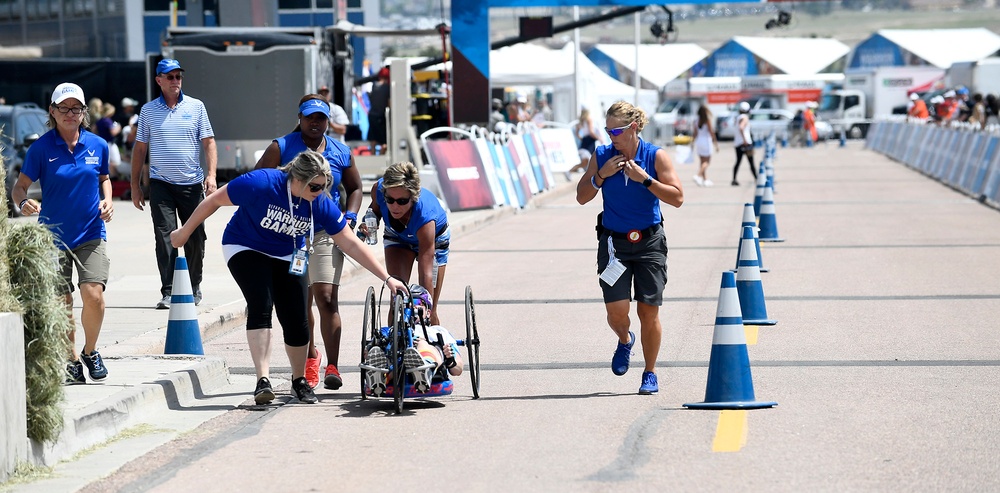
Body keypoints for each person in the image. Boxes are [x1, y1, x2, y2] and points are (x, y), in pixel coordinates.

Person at [169, 150, 406, 405]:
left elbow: (350, 244)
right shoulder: (260, 183)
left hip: (286, 253)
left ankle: (298, 380)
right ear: (297, 179)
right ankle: (263, 380)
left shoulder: (320, 202)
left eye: (324, 185)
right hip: (245, 245)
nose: (320, 191)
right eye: (315, 186)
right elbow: (214, 200)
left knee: (296, 317)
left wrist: (387, 278)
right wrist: (184, 232)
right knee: (261, 303)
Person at [574, 100, 684, 395]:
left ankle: (650, 372)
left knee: (649, 311)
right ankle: (625, 340)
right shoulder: (601, 156)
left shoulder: (655, 156)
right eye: (608, 131)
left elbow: (677, 198)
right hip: (614, 244)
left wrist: (645, 180)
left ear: (634, 128)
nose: (612, 137)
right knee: (617, 313)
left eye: (617, 131)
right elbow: (581, 196)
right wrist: (600, 176)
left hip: (649, 242)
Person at [254, 94, 363, 391]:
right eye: (309, 117)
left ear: (328, 121)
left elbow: (354, 187)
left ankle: (333, 366)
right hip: (290, 233)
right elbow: (258, 180)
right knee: (300, 303)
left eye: (321, 118)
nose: (315, 123)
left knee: (327, 298)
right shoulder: (282, 147)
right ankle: (310, 358)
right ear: (300, 118)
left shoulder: (341, 151)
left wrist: (350, 215)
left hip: (326, 231)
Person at [11, 82, 114, 385]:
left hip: (91, 233)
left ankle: (91, 351)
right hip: (52, 238)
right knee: (61, 303)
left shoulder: (98, 145)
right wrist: (24, 202)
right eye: (64, 108)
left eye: (76, 108)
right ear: (52, 112)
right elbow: (19, 187)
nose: (70, 113)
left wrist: (107, 199)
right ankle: (70, 360)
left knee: (93, 295)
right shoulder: (41, 148)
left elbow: (104, 178)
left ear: (84, 113)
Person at [130, 59, 217, 310]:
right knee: (165, 236)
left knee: (195, 237)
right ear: (159, 80)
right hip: (161, 185)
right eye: (170, 77)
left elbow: (209, 142)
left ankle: (193, 285)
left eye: (178, 76)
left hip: (191, 184)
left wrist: (211, 176)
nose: (175, 81)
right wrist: (135, 185)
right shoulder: (148, 111)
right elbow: (140, 149)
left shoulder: (196, 107)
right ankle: (169, 291)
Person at [358, 161, 450, 326]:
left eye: (401, 201)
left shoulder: (425, 216)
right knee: (397, 300)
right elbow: (375, 209)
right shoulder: (378, 190)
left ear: (413, 198)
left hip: (433, 240)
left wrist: (425, 308)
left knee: (427, 307)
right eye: (390, 199)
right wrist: (369, 221)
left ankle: (430, 341)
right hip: (398, 236)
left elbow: (426, 272)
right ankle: (394, 346)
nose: (394, 206)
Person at [365, 284, 463, 395]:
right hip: (397, 359)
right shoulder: (391, 330)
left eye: (417, 303)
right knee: (381, 349)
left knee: (422, 344)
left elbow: (457, 370)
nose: (412, 307)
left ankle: (423, 370)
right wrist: (371, 348)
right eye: (406, 304)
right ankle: (379, 377)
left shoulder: (438, 331)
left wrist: (450, 360)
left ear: (428, 312)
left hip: (429, 355)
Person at [691, 105, 719, 187]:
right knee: (707, 162)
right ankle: (698, 175)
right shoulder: (707, 120)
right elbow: (711, 133)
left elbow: (695, 133)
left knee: (702, 162)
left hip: (699, 141)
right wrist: (716, 144)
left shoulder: (696, 121)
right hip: (706, 141)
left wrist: (692, 143)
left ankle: (705, 180)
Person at [95, 102, 124, 179]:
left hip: (102, 143)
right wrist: (118, 127)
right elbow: (113, 132)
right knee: (115, 162)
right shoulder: (107, 120)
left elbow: (94, 130)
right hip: (109, 144)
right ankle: (115, 177)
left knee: (105, 162)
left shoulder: (99, 121)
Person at [731, 101, 757, 186]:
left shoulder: (737, 118)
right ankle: (757, 178)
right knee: (751, 162)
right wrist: (745, 140)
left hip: (738, 143)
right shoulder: (745, 117)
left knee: (738, 162)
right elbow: (741, 128)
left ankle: (734, 179)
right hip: (746, 143)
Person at [569, 108, 600, 174]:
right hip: (589, 141)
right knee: (587, 162)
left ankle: (570, 171)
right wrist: (598, 138)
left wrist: (582, 139)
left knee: (585, 162)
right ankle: (569, 171)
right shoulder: (589, 120)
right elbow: (591, 131)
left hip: (585, 141)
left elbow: (577, 133)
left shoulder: (581, 122)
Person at [368, 67, 390, 153]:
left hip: (372, 114)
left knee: (373, 138)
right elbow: (388, 103)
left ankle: (372, 156)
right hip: (381, 115)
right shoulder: (387, 88)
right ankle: (381, 157)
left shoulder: (374, 86)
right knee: (384, 141)